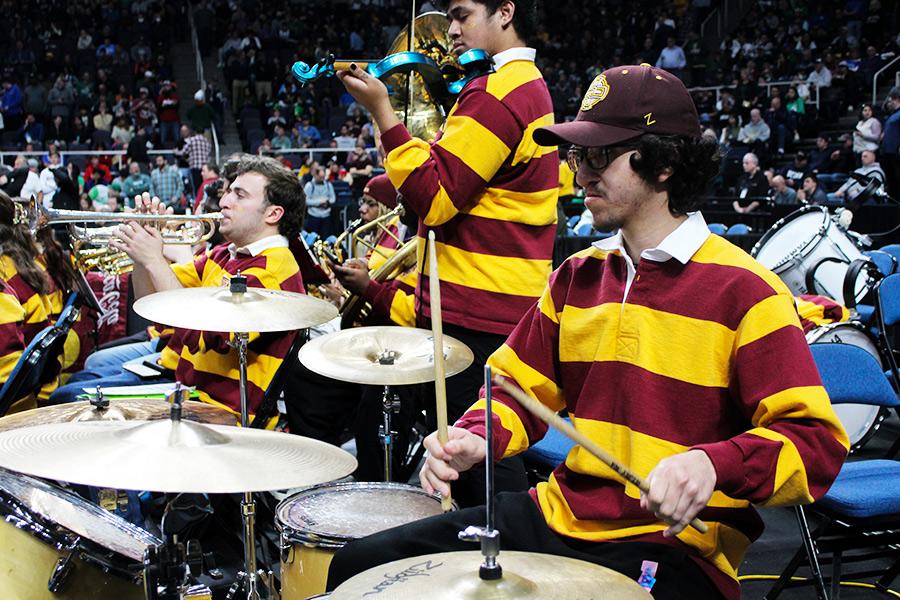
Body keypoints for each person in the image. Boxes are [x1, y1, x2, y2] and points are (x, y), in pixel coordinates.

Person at [326, 64, 849, 600]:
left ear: (665, 163)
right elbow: (513, 387)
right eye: (578, 157)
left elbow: (815, 444)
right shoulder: (576, 277)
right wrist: (477, 435)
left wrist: (711, 465)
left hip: (674, 546)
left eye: (600, 157)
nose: (581, 176)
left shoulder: (747, 291)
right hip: (558, 514)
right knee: (359, 566)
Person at [332, 0, 558, 506]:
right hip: (483, 304)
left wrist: (382, 111)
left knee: (478, 464)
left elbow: (433, 199)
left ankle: (502, 544)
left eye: (462, 15)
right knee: (454, 444)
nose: (451, 31)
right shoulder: (517, 85)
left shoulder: (498, 91)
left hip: (475, 311)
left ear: (505, 12)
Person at [49, 155, 306, 422]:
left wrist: (154, 259)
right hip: (189, 388)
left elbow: (199, 335)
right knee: (74, 387)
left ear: (273, 214)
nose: (224, 201)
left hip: (219, 408)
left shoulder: (272, 268)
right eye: (229, 192)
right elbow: (151, 304)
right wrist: (141, 254)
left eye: (239, 195)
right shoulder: (224, 254)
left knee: (67, 399)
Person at [0, 191, 57, 411]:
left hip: (18, 410)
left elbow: (7, 373)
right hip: (35, 392)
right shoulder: (21, 266)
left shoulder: (7, 275)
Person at [303, 166, 335, 238]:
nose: (322, 179)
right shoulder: (309, 185)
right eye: (320, 177)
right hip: (313, 216)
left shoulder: (328, 185)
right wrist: (319, 202)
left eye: (323, 177)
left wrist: (327, 202)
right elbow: (305, 201)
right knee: (313, 238)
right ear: (315, 175)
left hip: (326, 215)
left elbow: (333, 198)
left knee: (325, 238)